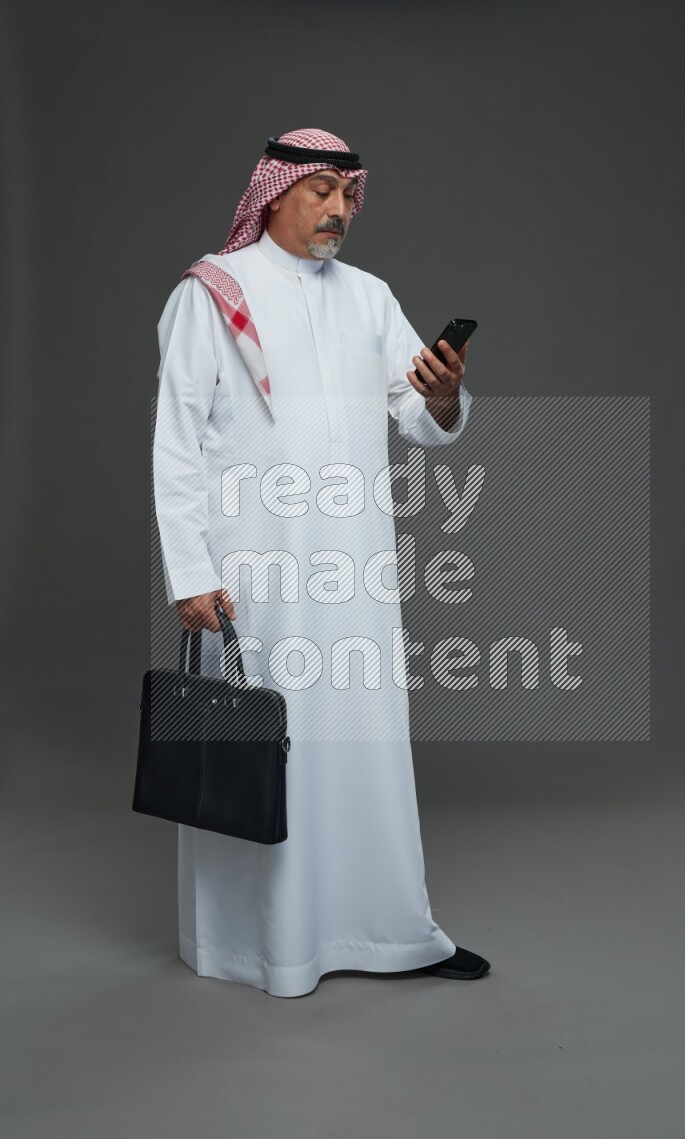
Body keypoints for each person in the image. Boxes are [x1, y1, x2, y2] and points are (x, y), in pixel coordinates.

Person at [152, 127, 490, 997]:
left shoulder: (370, 297)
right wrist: (189, 571)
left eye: (349, 195)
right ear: (274, 192)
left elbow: (414, 414)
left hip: (352, 567)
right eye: (322, 191)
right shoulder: (213, 292)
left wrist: (444, 396)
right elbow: (176, 444)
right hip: (254, 568)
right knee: (265, 743)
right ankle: (262, 946)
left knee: (362, 744)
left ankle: (390, 933)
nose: (339, 210)